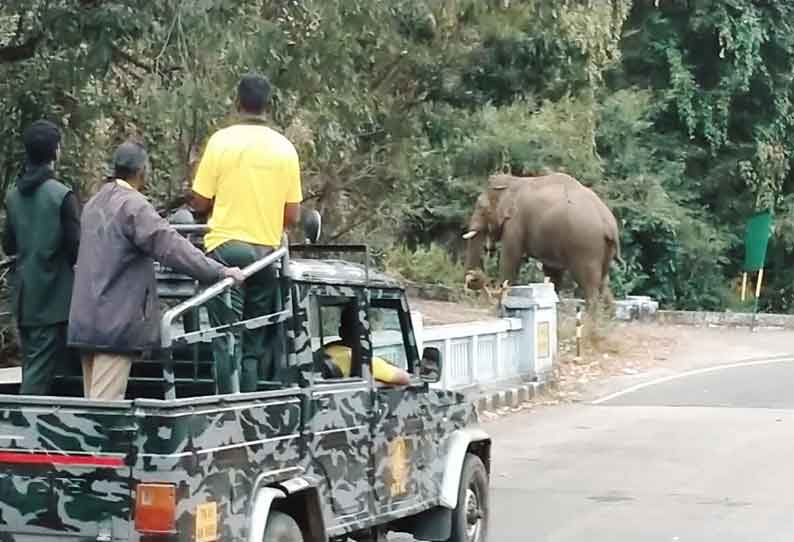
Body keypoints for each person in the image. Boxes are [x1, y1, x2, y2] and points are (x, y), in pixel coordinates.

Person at [68, 142, 245, 400]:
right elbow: (170, 246)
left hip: (86, 321)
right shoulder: (133, 206)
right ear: (142, 171)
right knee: (104, 413)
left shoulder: (94, 203)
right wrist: (219, 271)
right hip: (114, 327)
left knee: (92, 405)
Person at [190, 73, 303, 394]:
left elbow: (200, 201)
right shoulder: (285, 149)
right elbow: (292, 215)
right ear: (269, 106)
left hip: (226, 249)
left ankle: (226, 412)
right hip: (265, 256)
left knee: (227, 339)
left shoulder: (221, 141)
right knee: (252, 344)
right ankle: (251, 410)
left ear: (237, 102)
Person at [2, 120, 81, 395]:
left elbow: (9, 245)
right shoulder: (61, 196)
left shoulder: (13, 196)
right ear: (55, 152)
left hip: (25, 298)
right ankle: (21, 430)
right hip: (54, 301)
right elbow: (76, 251)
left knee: (33, 365)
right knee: (38, 375)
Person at [322, 304, 411, 386]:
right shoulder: (361, 360)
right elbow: (405, 378)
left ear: (340, 331)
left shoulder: (325, 352)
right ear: (365, 333)